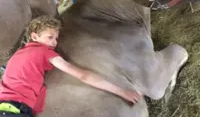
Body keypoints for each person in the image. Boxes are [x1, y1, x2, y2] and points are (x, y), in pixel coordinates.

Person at [0, 16, 141, 117]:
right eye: (50, 37)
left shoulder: (19, 54)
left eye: (56, 38)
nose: (54, 42)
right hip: (15, 109)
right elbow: (83, 76)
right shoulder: (44, 52)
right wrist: (122, 92)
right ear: (35, 36)